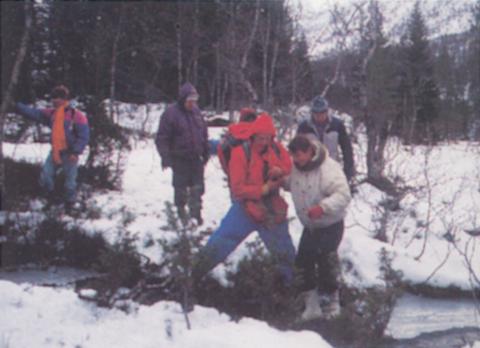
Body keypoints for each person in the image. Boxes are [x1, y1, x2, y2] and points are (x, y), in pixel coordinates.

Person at [193, 113, 296, 283]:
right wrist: (263, 189)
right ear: (253, 135)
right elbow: (238, 189)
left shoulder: (277, 149)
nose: (263, 142)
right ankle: (193, 276)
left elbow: (289, 168)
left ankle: (296, 290)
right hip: (244, 208)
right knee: (220, 243)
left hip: (271, 208)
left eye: (267, 138)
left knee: (284, 253)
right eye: (260, 138)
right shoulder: (240, 153)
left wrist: (280, 171)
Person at [286, 134, 351, 321]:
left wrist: (323, 207)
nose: (296, 160)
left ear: (309, 151)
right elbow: (292, 183)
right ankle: (311, 306)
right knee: (303, 262)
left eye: (299, 155)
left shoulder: (328, 168)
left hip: (331, 224)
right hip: (311, 225)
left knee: (325, 258)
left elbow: (343, 195)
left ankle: (332, 304)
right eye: (294, 156)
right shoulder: (297, 167)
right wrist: (279, 179)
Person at [15, 85, 90, 212]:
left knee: (70, 182)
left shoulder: (77, 116)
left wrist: (76, 152)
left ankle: (69, 206)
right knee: (45, 176)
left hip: (70, 153)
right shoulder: (51, 113)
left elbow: (83, 136)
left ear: (64, 99)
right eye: (53, 97)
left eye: (57, 98)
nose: (54, 100)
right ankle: (50, 199)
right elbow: (34, 113)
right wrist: (17, 105)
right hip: (55, 151)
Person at [155, 82, 209, 225]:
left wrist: (206, 151)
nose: (192, 103)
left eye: (194, 100)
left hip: (196, 158)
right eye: (189, 101)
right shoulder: (170, 114)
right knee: (180, 188)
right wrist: (165, 157)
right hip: (179, 158)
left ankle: (196, 214)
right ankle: (181, 214)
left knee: (198, 187)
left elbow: (203, 133)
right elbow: (162, 138)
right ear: (183, 99)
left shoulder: (197, 112)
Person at [297, 96, 355, 182]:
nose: (319, 116)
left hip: (331, 169)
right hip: (310, 171)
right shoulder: (304, 127)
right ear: (312, 112)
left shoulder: (337, 125)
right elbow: (297, 150)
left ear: (327, 111)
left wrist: (348, 171)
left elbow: (347, 149)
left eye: (322, 113)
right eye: (316, 113)